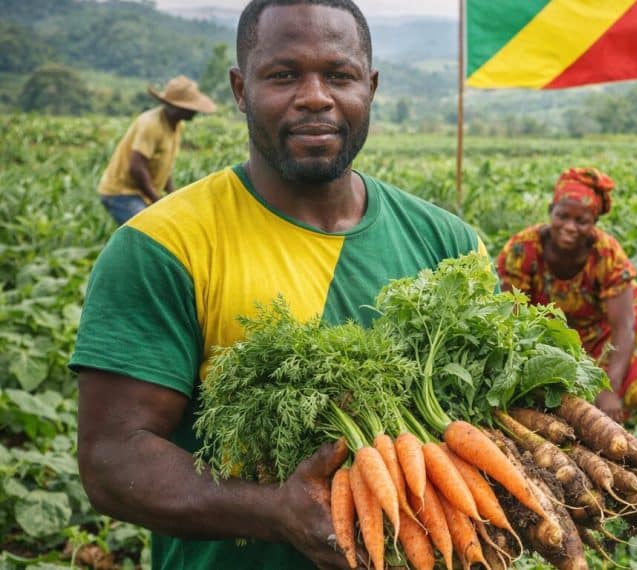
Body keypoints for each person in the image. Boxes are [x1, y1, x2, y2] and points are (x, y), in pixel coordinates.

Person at [70, 1, 484, 569]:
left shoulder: (451, 246)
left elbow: (486, 426)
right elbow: (112, 460)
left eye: (339, 75)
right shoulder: (162, 246)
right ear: (241, 90)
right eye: (284, 75)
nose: (315, 96)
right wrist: (277, 512)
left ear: (372, 86)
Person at [496, 168, 637, 437]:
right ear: (551, 210)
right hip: (549, 333)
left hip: (603, 331)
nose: (569, 227)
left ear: (594, 222)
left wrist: (609, 389)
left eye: (582, 220)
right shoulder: (522, 249)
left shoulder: (606, 253)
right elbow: (512, 315)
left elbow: (624, 327)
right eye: (562, 216)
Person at [96, 75, 217, 224]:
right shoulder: (151, 124)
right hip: (122, 193)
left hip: (140, 194)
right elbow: (136, 167)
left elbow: (163, 165)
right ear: (176, 107)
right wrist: (157, 200)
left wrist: (172, 196)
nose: (194, 112)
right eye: (190, 108)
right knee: (149, 232)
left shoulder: (177, 125)